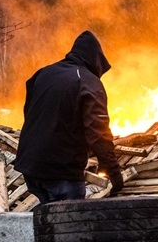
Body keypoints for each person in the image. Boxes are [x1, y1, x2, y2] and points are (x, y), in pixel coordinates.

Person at [13, 30, 123, 205]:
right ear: (96, 59)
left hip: (30, 168)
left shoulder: (43, 73)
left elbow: (30, 113)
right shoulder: (88, 82)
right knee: (68, 225)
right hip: (61, 172)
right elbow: (99, 134)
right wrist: (115, 174)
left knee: (48, 220)